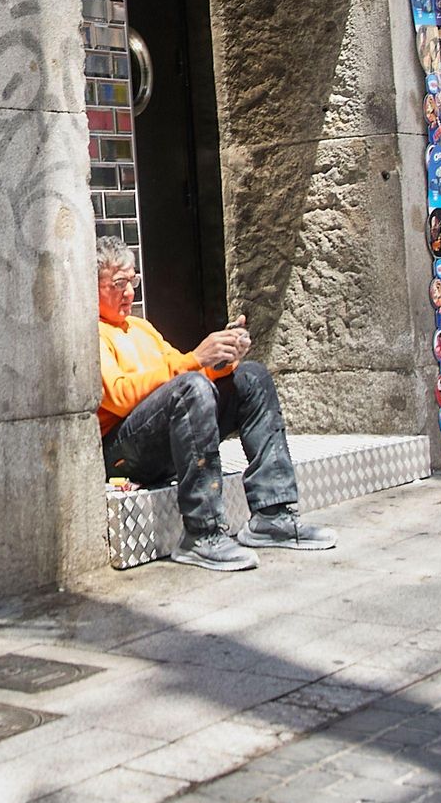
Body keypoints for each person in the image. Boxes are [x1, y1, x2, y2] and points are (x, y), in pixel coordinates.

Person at [95, 235, 336, 572]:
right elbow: (119, 396)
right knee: (191, 387)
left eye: (132, 280)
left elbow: (181, 370)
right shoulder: (92, 333)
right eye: (118, 283)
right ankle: (202, 533)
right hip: (123, 453)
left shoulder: (141, 328)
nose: (129, 292)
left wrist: (222, 359)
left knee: (251, 378)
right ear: (93, 287)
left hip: (164, 437)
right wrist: (196, 361)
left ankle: (273, 513)